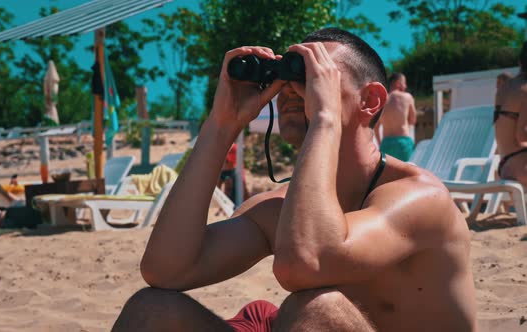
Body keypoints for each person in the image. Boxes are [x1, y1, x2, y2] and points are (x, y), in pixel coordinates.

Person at [113, 28, 476, 331]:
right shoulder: (282, 207)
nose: (290, 89)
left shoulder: (419, 199)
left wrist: (326, 119)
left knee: (318, 307)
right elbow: (165, 269)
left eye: (314, 76)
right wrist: (220, 128)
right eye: (288, 76)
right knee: (152, 310)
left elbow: (306, 262)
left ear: (370, 100)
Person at [493, 42, 527, 186]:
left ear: (520, 62)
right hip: (520, 168)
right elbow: (522, 136)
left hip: (504, 165)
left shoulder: (505, 87)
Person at [374, 72, 417, 161]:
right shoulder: (407, 97)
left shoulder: (381, 100)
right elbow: (413, 120)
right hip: (403, 143)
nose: (405, 86)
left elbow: (376, 127)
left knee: (387, 174)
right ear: (398, 83)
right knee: (407, 173)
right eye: (404, 83)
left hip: (386, 143)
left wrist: (380, 143)